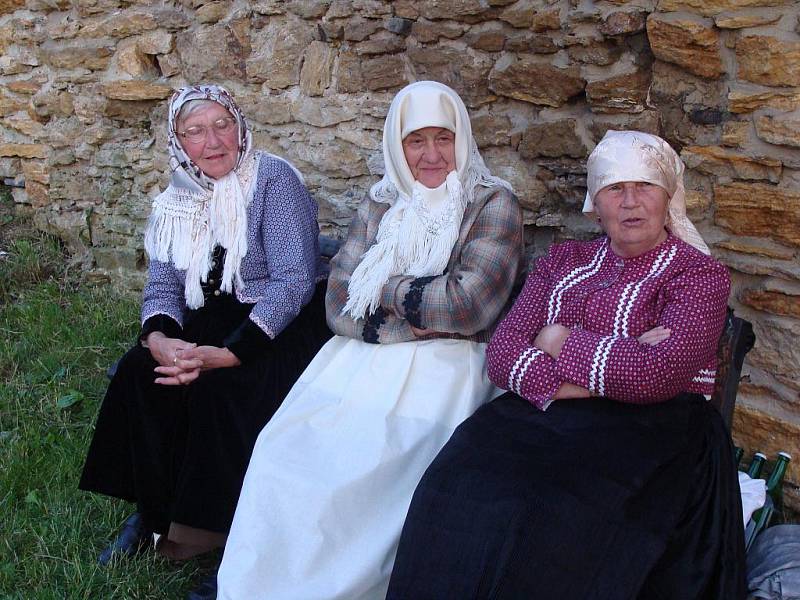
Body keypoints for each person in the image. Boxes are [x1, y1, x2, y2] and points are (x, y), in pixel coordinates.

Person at [386, 130, 746, 599]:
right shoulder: (565, 260)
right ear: (595, 205)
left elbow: (659, 374)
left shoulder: (697, 274)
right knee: (456, 484)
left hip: (656, 431)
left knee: (556, 516)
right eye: (616, 189)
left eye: (646, 187)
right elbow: (503, 355)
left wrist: (559, 338)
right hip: (542, 415)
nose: (631, 202)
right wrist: (621, 355)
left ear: (668, 197)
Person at [216, 80, 524, 599]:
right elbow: (337, 303)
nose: (431, 154)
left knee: (371, 467)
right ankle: (262, 583)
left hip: (446, 368)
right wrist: (408, 313)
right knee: (284, 453)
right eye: (415, 141)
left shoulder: (492, 205)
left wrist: (383, 286)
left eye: (443, 138)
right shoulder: (382, 204)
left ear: (462, 138)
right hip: (359, 357)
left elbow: (469, 307)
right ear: (397, 147)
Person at [78, 85, 331, 596]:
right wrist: (159, 340)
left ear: (240, 127)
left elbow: (294, 279)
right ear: (178, 142)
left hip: (276, 322)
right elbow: (164, 284)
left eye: (222, 125)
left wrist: (232, 352)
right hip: (209, 315)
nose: (212, 142)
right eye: (195, 131)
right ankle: (153, 517)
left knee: (225, 392)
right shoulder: (175, 199)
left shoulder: (273, 180)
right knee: (141, 374)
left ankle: (235, 540)